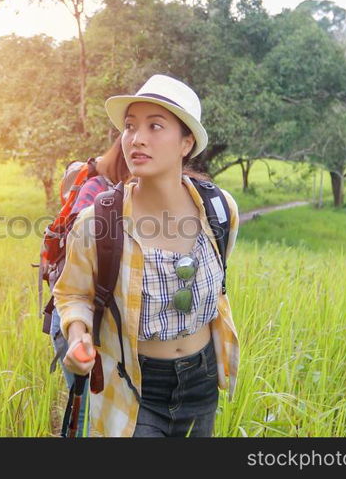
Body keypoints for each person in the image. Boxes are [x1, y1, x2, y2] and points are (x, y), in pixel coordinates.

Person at [52, 74, 240, 437]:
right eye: (129, 126)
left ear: (186, 142)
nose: (137, 138)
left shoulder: (220, 210)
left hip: (203, 380)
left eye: (156, 126)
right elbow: (72, 293)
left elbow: (220, 283)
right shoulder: (99, 222)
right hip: (135, 385)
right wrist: (77, 336)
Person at [49, 135, 131, 436]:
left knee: (109, 414)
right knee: (86, 416)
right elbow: (78, 257)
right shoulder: (96, 192)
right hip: (76, 318)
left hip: (104, 322)